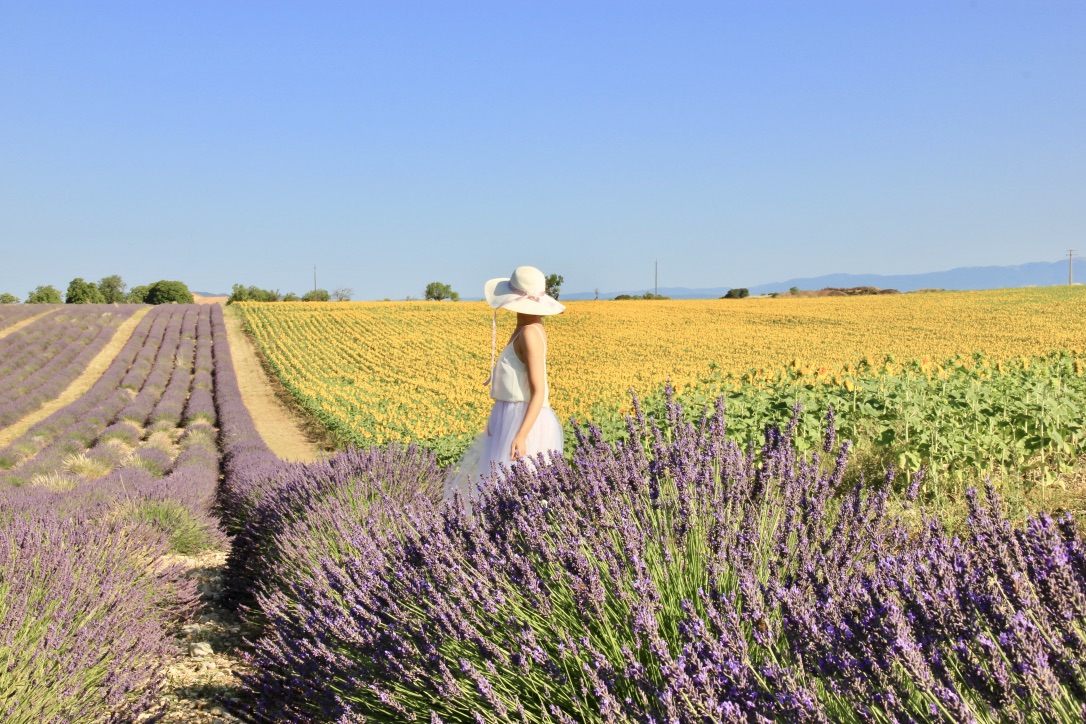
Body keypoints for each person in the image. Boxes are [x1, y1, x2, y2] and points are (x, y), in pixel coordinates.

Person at [444, 265, 565, 502]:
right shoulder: (523, 329)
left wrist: (521, 435)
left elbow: (539, 391)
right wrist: (496, 419)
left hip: (523, 420)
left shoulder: (530, 333)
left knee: (511, 493)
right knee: (500, 491)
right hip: (510, 417)